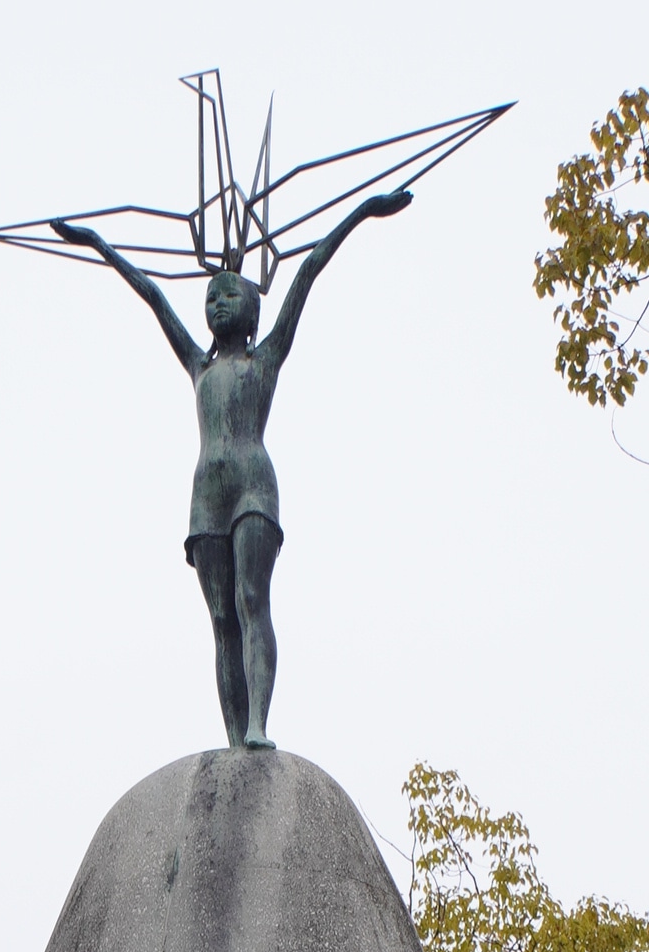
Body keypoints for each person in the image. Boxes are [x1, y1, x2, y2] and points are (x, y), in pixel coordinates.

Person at [52, 191, 412, 751]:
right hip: (206, 496)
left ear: (251, 307)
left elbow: (308, 271)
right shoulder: (198, 364)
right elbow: (152, 296)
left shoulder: (263, 359)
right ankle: (234, 739)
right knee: (222, 621)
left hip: (252, 487)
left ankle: (258, 724)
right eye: (211, 297)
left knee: (251, 600)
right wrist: (99, 244)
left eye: (230, 295)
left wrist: (364, 211)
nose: (218, 304)